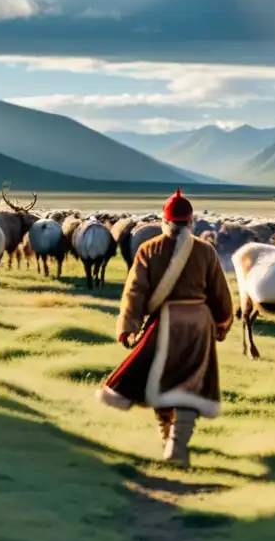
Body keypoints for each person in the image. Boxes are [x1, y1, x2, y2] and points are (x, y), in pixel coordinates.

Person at [96, 188, 234, 468]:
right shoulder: (205, 251)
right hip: (198, 325)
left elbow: (135, 291)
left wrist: (128, 327)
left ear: (164, 220)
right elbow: (220, 293)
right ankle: (177, 445)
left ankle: (166, 436)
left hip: (164, 325)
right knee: (190, 386)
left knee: (161, 381)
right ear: (191, 221)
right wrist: (222, 323)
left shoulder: (148, 249)